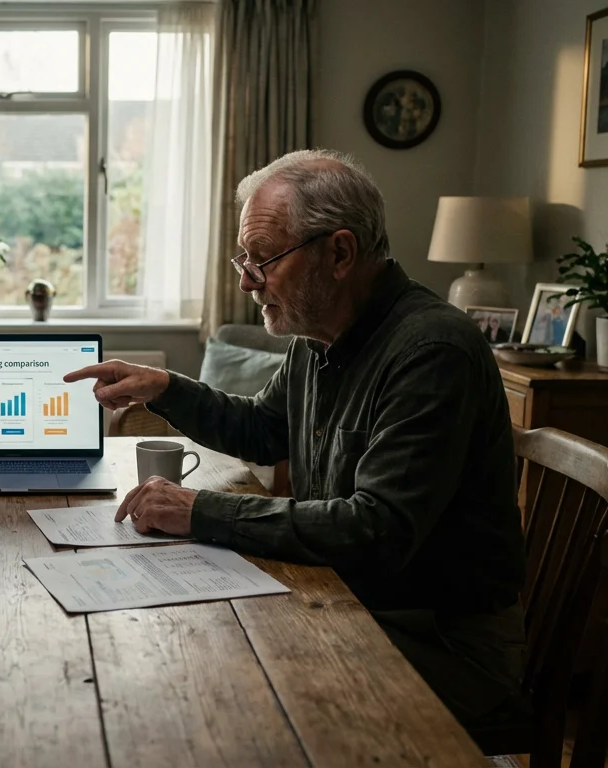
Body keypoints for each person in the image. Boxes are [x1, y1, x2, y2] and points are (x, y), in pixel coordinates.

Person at [64, 149, 527, 729]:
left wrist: (200, 509)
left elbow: (375, 530)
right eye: (244, 259)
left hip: (441, 641)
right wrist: (163, 387)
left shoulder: (432, 352)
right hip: (354, 599)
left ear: (339, 253)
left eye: (264, 260)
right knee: (191, 659)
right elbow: (262, 429)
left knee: (220, 693)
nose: (246, 281)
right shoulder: (323, 335)